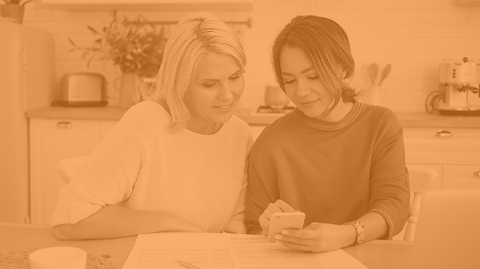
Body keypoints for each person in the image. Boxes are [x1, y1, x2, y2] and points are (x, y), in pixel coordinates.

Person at [52, 12, 253, 240]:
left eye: (235, 77)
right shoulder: (146, 122)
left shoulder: (239, 134)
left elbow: (237, 227)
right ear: (180, 83)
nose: (227, 95)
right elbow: (69, 219)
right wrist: (168, 222)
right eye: (209, 84)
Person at [244, 15, 410, 252]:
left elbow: (394, 207)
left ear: (342, 68)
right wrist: (268, 225)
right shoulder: (270, 142)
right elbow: (253, 230)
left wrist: (345, 234)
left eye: (313, 76)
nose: (301, 91)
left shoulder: (380, 123)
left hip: (367, 259)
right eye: (289, 80)